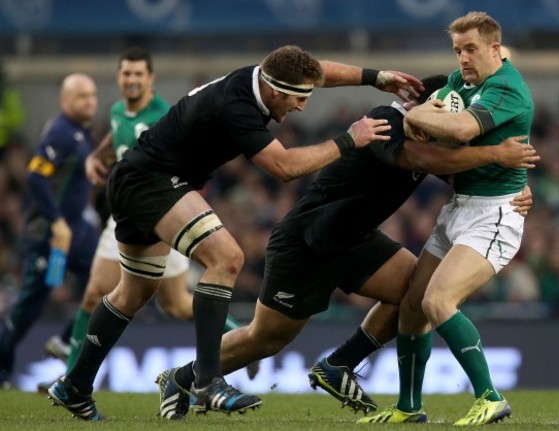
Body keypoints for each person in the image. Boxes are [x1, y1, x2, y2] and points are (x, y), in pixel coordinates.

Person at [46, 44, 423, 421]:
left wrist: (376, 78)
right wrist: (348, 140)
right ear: (275, 91)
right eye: (297, 99)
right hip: (153, 182)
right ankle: (207, 382)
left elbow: (315, 70)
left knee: (134, 292)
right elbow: (284, 166)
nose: (302, 107)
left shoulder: (263, 76)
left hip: (138, 178)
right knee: (226, 257)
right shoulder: (237, 107)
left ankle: (74, 385)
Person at [153, 74, 538, 420]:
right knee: (266, 338)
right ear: (421, 106)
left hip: (354, 240)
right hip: (308, 241)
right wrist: (493, 153)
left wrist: (513, 189)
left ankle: (340, 364)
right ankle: (183, 377)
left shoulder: (430, 137)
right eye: (435, 117)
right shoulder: (385, 119)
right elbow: (417, 157)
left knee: (414, 293)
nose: (439, 129)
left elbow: (460, 170)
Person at [38, 47, 257, 389]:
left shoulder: (163, 115)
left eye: (139, 74)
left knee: (176, 303)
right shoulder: (116, 111)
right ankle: (72, 378)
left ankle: (241, 339)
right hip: (126, 210)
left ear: (151, 79)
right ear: (119, 77)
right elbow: (116, 133)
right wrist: (96, 156)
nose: (132, 80)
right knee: (96, 292)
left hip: (160, 210)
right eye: (127, 73)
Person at [359, 11, 535, 425]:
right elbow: (438, 126)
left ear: (495, 49)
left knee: (439, 301)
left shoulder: (507, 88)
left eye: (471, 49)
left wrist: (414, 114)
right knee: (413, 308)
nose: (462, 59)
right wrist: (428, 117)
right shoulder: (463, 81)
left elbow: (457, 130)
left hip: (496, 214)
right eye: (457, 51)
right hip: (459, 207)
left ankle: (491, 397)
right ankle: (408, 406)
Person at [0, 74, 99, 388]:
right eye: (81, 96)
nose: (90, 102)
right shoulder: (60, 132)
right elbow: (36, 178)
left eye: (92, 95)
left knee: (106, 282)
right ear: (65, 100)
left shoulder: (82, 134)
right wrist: (56, 221)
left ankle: (66, 341)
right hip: (49, 233)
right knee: (30, 305)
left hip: (76, 230)